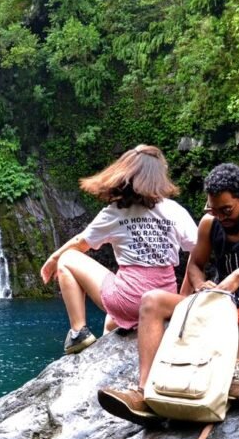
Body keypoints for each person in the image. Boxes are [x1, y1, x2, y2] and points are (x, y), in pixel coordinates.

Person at [98, 163, 239, 423]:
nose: (220, 216)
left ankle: (235, 367)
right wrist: (199, 283)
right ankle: (145, 392)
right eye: (214, 210)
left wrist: (238, 275)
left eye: (226, 210)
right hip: (219, 315)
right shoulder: (210, 223)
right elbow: (195, 264)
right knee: (151, 300)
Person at [40, 144, 197, 355]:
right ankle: (106, 349)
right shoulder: (174, 210)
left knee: (68, 259)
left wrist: (53, 259)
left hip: (128, 299)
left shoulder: (116, 212)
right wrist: (184, 293)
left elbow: (81, 243)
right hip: (163, 300)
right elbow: (199, 251)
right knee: (111, 322)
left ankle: (78, 332)